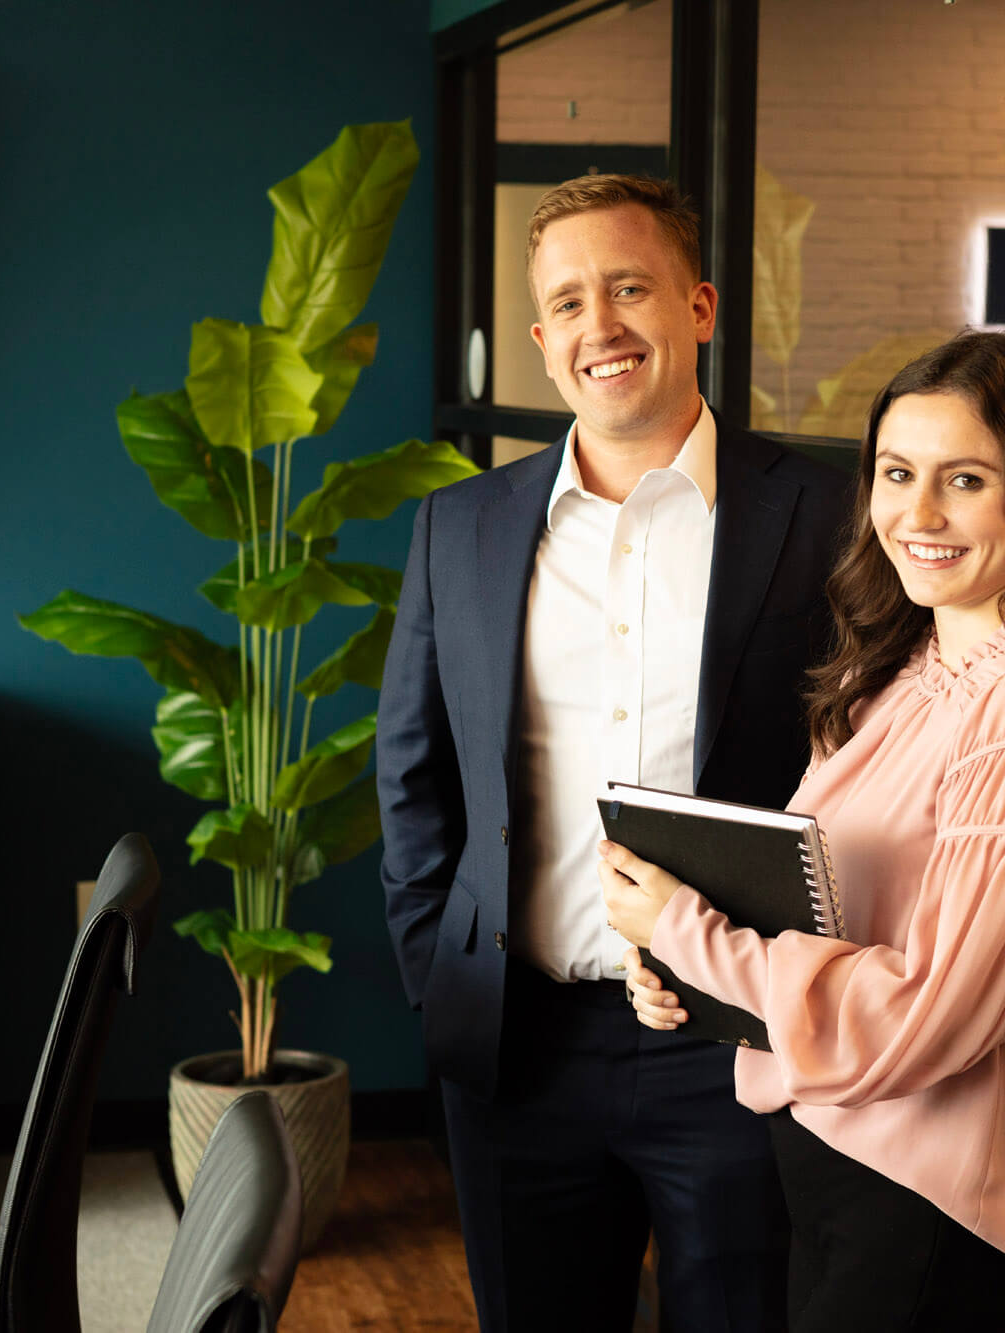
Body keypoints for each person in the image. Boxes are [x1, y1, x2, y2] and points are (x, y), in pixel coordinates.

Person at [378, 174, 852, 1332]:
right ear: (542, 341)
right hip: (518, 1045)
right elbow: (411, 769)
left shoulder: (824, 515)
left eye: (628, 287)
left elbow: (867, 766)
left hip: (734, 1049)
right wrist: (440, 974)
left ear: (696, 306)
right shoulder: (463, 525)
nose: (603, 325)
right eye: (571, 302)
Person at [601, 329, 1005, 1332]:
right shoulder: (904, 669)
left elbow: (925, 1012)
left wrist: (692, 935)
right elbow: (825, 916)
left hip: (937, 1222)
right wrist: (684, 969)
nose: (917, 514)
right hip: (836, 1171)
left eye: (966, 479)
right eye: (896, 473)